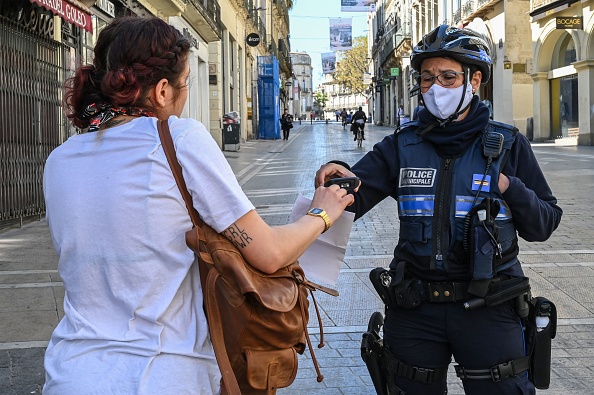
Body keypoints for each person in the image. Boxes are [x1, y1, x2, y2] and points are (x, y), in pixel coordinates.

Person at [42, 16, 354, 394]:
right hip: (162, 375)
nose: (185, 94)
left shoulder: (59, 159)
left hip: (71, 373)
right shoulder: (177, 137)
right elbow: (269, 253)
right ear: (161, 91)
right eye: (185, 83)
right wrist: (323, 212)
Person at [315, 24, 562, 395]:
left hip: (490, 307)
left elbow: (544, 223)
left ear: (474, 80)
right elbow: (353, 196)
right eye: (427, 78)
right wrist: (336, 179)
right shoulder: (401, 145)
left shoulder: (508, 144)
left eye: (448, 77)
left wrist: (509, 186)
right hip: (415, 309)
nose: (435, 87)